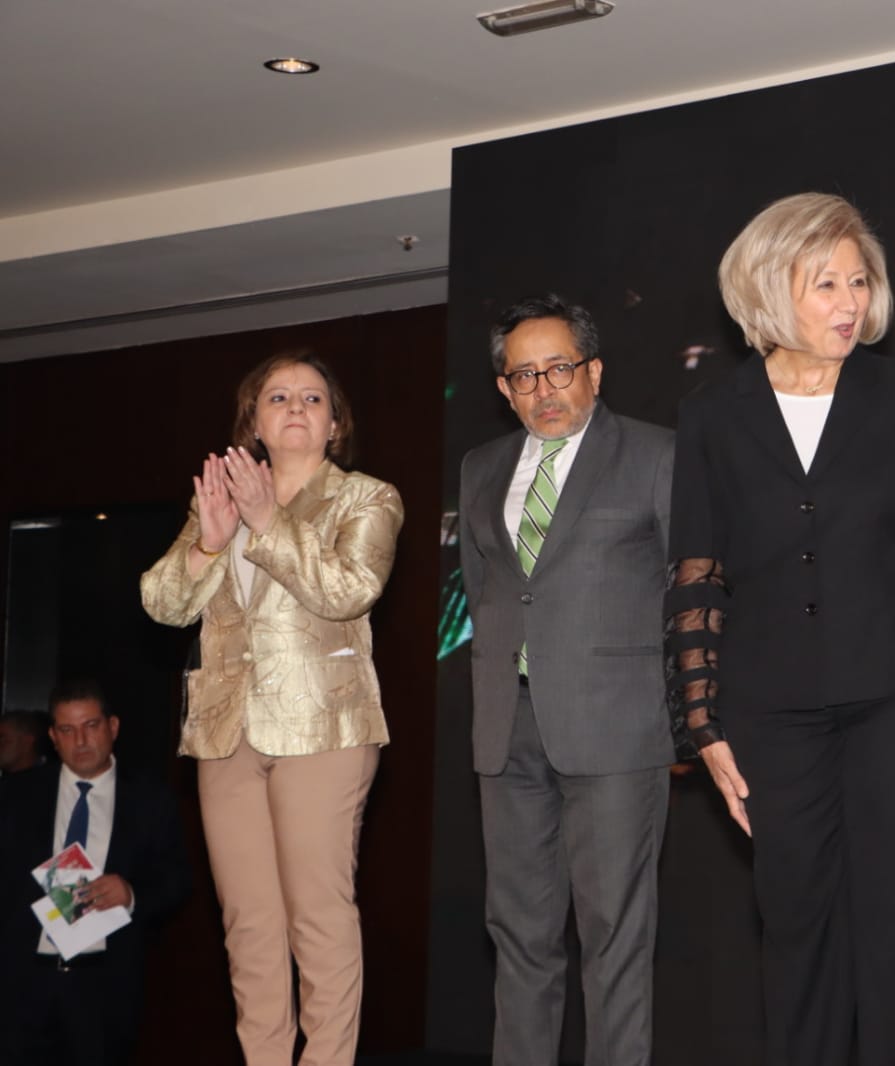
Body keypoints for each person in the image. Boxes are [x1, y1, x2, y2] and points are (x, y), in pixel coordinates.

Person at [667, 192, 895, 1064]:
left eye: (859, 281)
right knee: (796, 931)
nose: (850, 302)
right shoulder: (712, 414)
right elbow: (697, 574)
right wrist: (701, 724)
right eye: (826, 284)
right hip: (769, 712)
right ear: (769, 289)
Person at [139, 351, 403, 1066]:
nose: (295, 408)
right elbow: (162, 603)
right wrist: (210, 540)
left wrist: (267, 522)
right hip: (226, 733)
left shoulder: (366, 499)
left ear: (335, 424)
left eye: (312, 398)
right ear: (252, 422)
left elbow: (349, 591)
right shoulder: (220, 498)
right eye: (278, 397)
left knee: (317, 916)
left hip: (324, 728)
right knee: (249, 925)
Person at [460, 295, 675, 1066]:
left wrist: (685, 714)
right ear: (504, 388)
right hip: (506, 726)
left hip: (617, 731)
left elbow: (692, 593)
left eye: (559, 369)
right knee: (518, 934)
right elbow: (487, 589)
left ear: (594, 372)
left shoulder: (655, 454)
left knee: (614, 936)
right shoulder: (481, 467)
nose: (544, 389)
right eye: (524, 375)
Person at [0, 680, 189, 1066]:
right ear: (53, 737)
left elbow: (177, 881)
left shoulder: (150, 800)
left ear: (112, 727)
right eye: (67, 730)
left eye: (91, 725)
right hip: (21, 984)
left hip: (104, 987)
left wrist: (131, 894)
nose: (81, 740)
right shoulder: (15, 796)